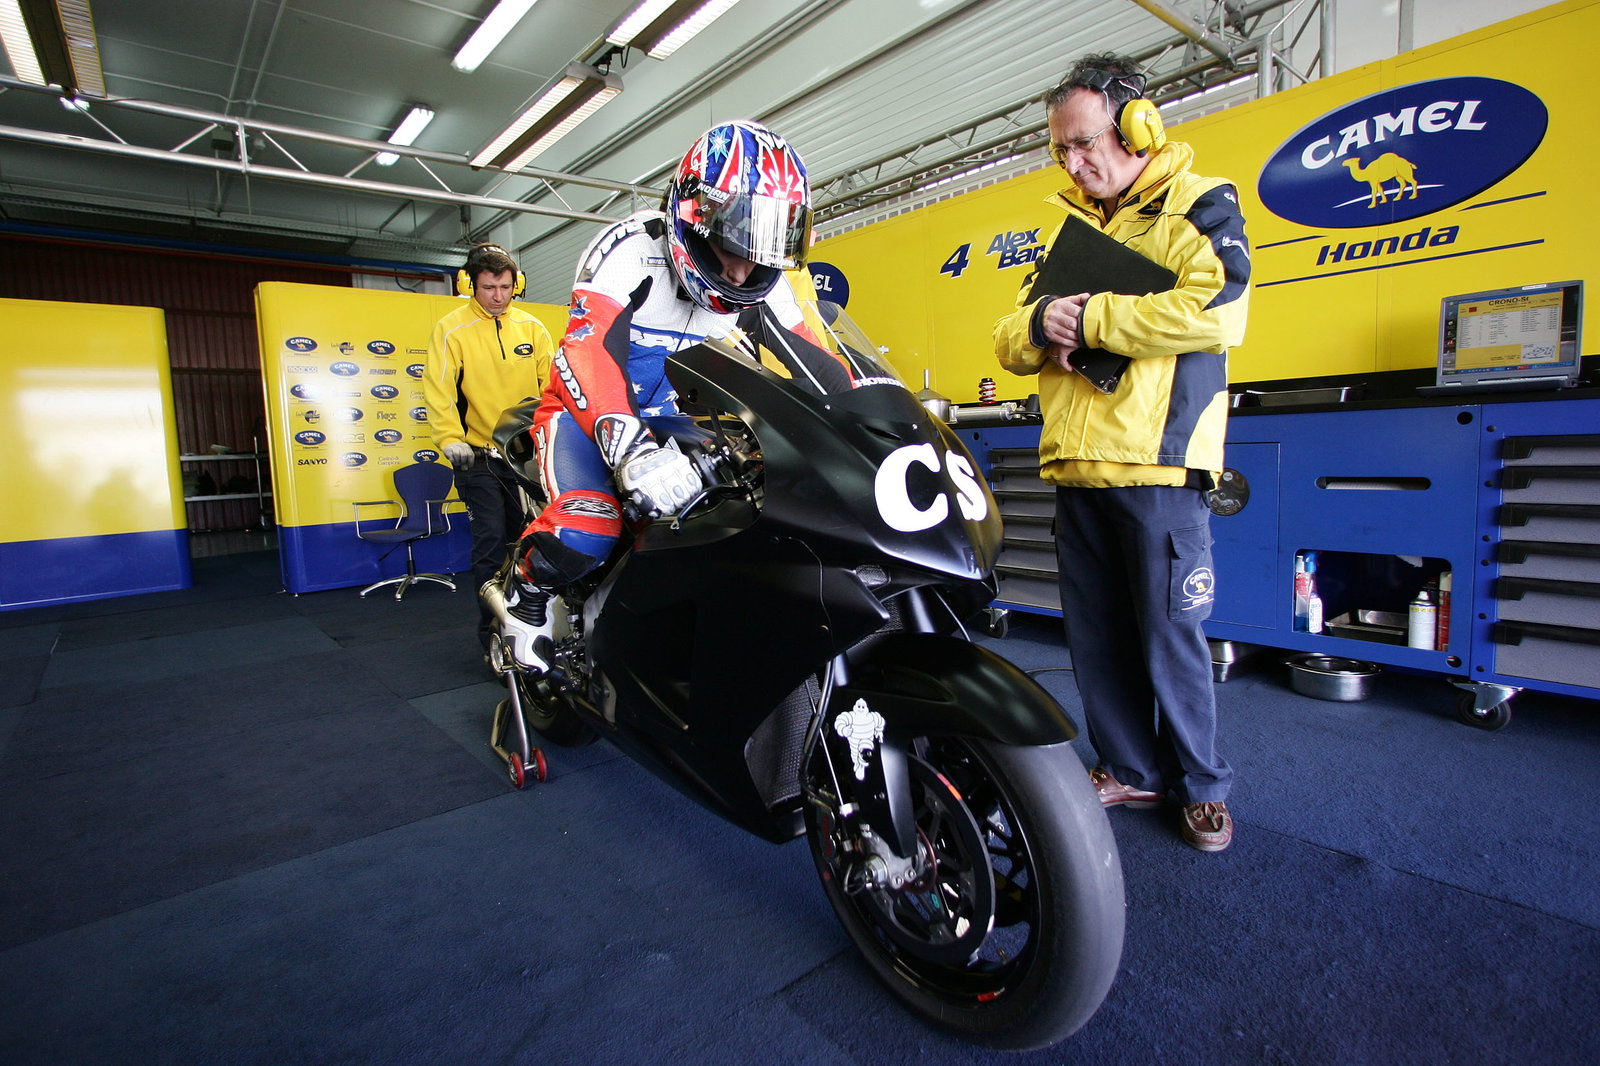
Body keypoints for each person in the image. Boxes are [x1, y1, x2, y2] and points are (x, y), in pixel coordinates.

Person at [992, 54, 1251, 853]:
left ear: (1138, 124)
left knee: (1170, 633)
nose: (1074, 162)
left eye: (1084, 142)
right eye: (1060, 151)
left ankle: (1200, 785)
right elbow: (1007, 336)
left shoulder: (1198, 207)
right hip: (1076, 467)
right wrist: (1042, 328)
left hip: (1158, 468)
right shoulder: (1071, 234)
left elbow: (1220, 309)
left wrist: (1093, 319)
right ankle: (1130, 767)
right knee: (1097, 635)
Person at [496, 119, 847, 670]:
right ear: (692, 215)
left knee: (725, 512)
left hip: (662, 408)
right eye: (733, 243)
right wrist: (632, 450)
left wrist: (870, 419)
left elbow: (813, 358)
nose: (744, 268)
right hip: (583, 407)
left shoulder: (764, 280)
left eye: (764, 250)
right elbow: (585, 352)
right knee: (589, 526)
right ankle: (525, 589)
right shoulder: (631, 249)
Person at [423, 242, 554, 654]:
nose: (498, 296)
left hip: (526, 456)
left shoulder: (532, 329)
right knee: (491, 540)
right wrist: (449, 439)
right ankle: (492, 635)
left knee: (531, 540)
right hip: (478, 457)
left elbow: (550, 390)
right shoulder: (452, 329)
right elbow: (438, 390)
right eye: (488, 287)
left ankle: (534, 623)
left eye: (505, 286)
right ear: (469, 285)